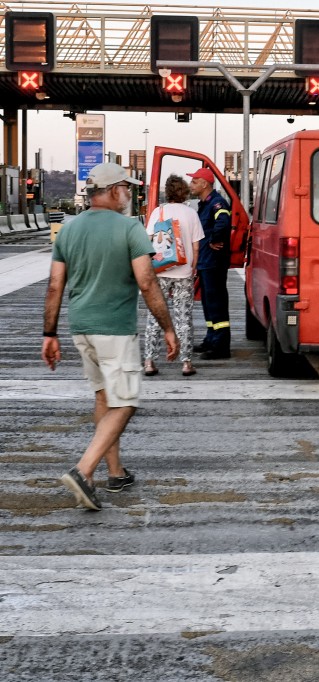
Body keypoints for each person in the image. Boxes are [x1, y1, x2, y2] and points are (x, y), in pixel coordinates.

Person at [42, 162, 179, 511]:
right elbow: (147, 282)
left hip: (80, 328)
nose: (129, 195)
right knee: (126, 401)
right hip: (114, 329)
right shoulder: (130, 228)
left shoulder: (69, 231)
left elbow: (56, 284)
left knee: (105, 396)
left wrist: (49, 334)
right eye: (127, 189)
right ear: (115, 190)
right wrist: (167, 327)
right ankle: (83, 470)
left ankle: (114, 472)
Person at [143, 174, 204, 377]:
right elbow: (196, 247)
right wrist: (192, 268)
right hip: (184, 273)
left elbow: (147, 241)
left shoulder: (157, 212)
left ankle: (150, 361)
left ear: (167, 192)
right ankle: (186, 363)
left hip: (160, 271)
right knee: (184, 318)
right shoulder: (191, 214)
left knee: (154, 316)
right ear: (184, 192)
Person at [188, 167, 232, 359]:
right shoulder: (205, 204)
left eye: (194, 181)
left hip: (214, 262)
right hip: (206, 262)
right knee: (208, 303)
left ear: (205, 184)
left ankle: (221, 346)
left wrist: (215, 239)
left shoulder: (217, 203)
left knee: (216, 303)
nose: (191, 185)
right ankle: (211, 339)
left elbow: (223, 222)